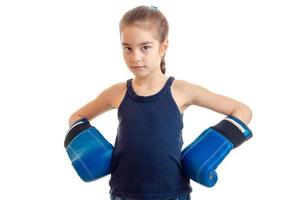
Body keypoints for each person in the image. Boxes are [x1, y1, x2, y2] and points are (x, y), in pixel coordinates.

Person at [68, 5, 252, 200]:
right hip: (124, 195)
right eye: (127, 48)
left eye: (145, 47)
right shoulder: (117, 93)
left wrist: (206, 152)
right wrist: (92, 152)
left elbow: (241, 111)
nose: (135, 57)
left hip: (173, 194)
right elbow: (76, 117)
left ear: (163, 46)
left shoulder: (181, 91)